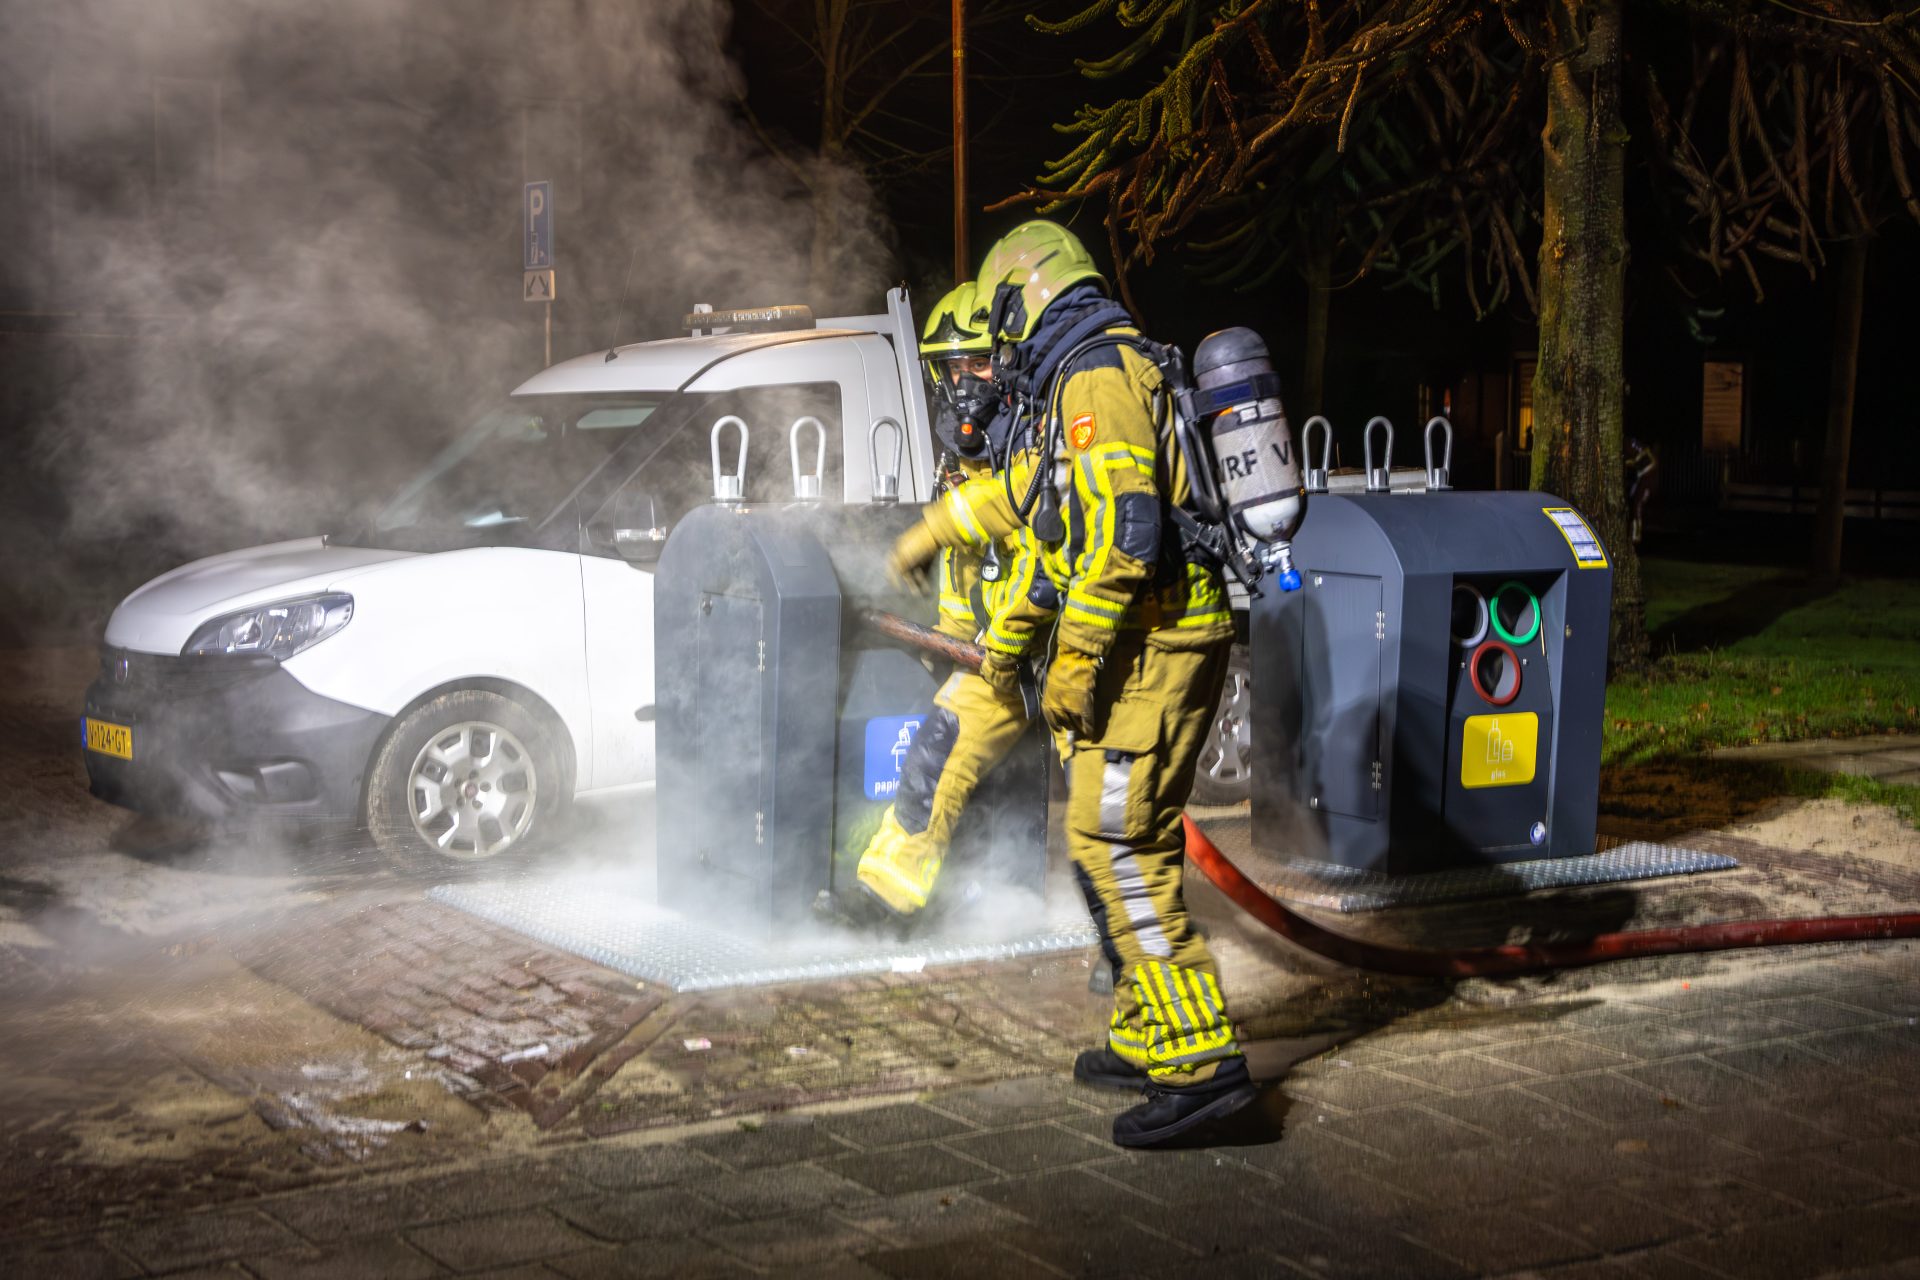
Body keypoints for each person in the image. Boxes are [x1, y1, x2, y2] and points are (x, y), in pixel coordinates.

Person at [887, 221, 1257, 1148]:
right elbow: (1047, 524)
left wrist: (1078, 660)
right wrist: (999, 628)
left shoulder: (1094, 377)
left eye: (1002, 318)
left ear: (1027, 297)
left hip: (1158, 643)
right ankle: (1149, 1030)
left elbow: (1126, 538)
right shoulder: (1074, 380)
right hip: (1152, 642)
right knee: (1124, 839)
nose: (999, 346)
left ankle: (1202, 1063)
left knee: (1113, 842)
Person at [847, 283, 1047, 920]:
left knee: (941, 752)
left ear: (1010, 363)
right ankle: (896, 897)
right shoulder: (969, 462)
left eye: (978, 364)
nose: (965, 383)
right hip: (993, 656)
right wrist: (951, 644)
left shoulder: (1041, 444)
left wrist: (931, 530)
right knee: (942, 756)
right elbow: (973, 575)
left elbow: (1021, 516)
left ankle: (887, 900)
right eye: (952, 368)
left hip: (1038, 656)